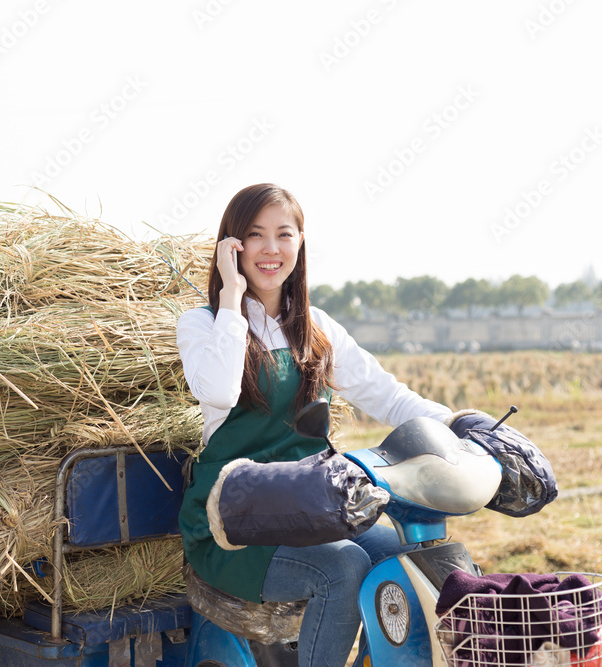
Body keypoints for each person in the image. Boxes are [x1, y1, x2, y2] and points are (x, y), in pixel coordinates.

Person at [176, 183, 453, 666]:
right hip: (234, 521)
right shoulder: (203, 324)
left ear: (300, 243)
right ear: (231, 246)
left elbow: (386, 396)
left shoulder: (317, 327)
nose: (270, 249)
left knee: (406, 557)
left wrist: (461, 423)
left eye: (284, 234)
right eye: (254, 235)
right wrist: (231, 296)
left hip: (310, 507)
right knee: (343, 566)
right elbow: (218, 391)